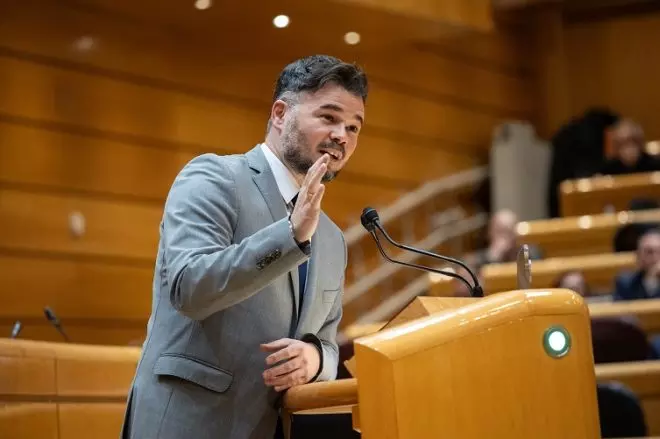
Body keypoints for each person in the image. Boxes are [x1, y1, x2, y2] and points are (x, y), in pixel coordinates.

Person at [120, 55, 368, 439]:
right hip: (190, 424)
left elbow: (328, 339)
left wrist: (315, 358)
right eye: (329, 118)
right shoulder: (213, 178)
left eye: (354, 127)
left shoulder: (333, 238)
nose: (343, 136)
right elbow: (190, 288)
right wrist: (289, 237)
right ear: (281, 113)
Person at [469, 209, 542, 270]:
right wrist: (492, 258)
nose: (504, 237)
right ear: (489, 233)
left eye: (509, 231)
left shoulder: (531, 255)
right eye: (499, 231)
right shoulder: (477, 261)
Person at [614, 228, 660, 301]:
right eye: (649, 252)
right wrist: (651, 280)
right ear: (638, 256)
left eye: (659, 252)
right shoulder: (625, 283)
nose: (655, 257)